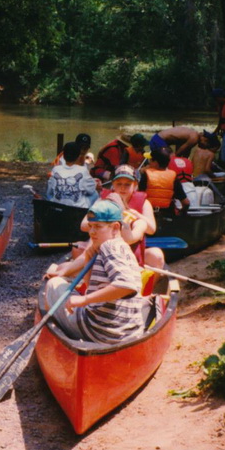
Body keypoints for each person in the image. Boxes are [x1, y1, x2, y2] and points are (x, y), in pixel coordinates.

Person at [40, 199, 156, 343]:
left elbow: (126, 285)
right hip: (126, 332)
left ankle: (50, 331)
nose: (92, 232)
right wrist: (88, 257)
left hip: (99, 331)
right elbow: (90, 288)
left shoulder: (110, 247)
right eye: (90, 226)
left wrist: (84, 299)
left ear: (115, 228)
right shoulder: (122, 248)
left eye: (98, 227)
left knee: (54, 284)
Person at [76, 164, 164, 269]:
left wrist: (135, 214)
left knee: (157, 254)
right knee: (78, 247)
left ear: (135, 185)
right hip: (104, 249)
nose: (122, 188)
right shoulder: (104, 200)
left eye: (127, 184)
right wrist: (106, 223)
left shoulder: (144, 203)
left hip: (130, 250)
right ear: (113, 184)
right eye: (119, 184)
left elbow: (151, 229)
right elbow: (84, 225)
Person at [47, 142, 99, 208]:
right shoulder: (83, 170)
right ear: (78, 156)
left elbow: (49, 192)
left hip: (57, 207)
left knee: (51, 196)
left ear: (63, 156)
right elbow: (91, 190)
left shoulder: (55, 169)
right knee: (95, 194)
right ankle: (87, 215)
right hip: (76, 211)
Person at [138, 147, 188, 213]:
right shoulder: (173, 177)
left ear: (156, 163)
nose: (149, 162)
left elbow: (138, 198)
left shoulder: (146, 175)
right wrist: (181, 213)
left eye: (151, 160)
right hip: (168, 214)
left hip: (149, 212)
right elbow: (186, 203)